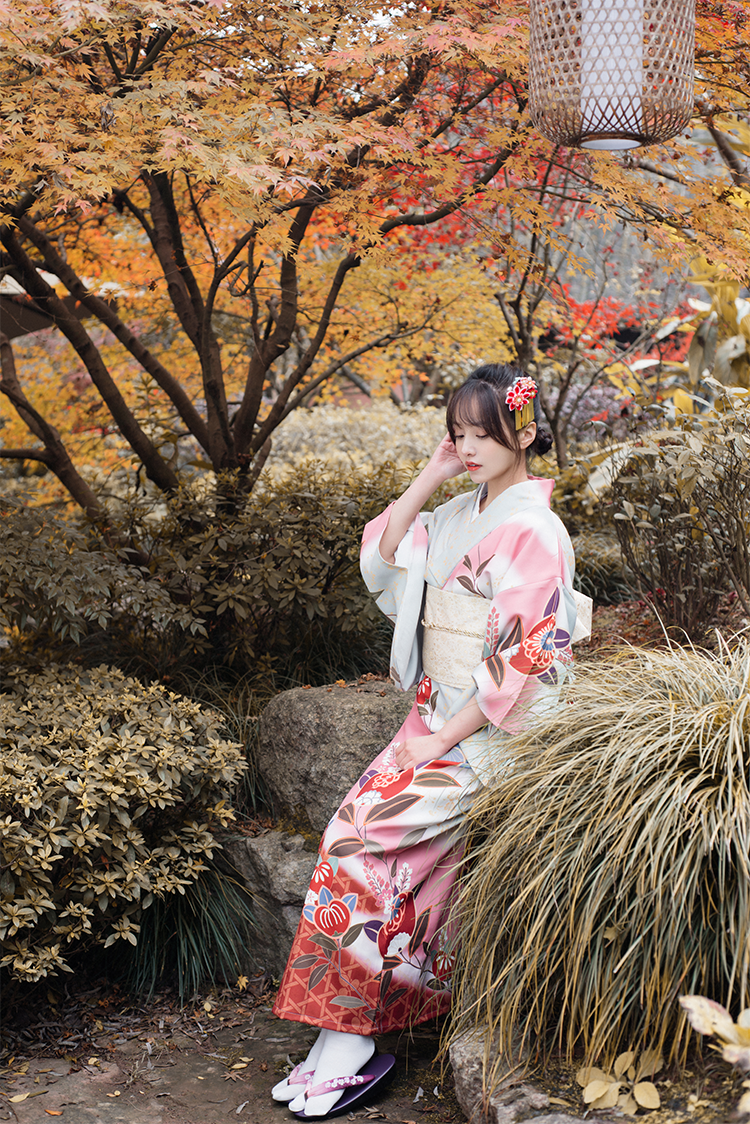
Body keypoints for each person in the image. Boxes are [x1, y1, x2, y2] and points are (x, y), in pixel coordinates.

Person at [270, 363, 586, 1118]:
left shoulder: (536, 530)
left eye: (484, 434)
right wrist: (430, 472)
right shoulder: (457, 512)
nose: (469, 447)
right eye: (459, 434)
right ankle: (339, 1031)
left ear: (527, 434)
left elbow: (525, 660)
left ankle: (352, 1038)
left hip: (494, 730)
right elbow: (378, 563)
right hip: (432, 719)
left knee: (365, 841)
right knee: (345, 835)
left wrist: (440, 737)